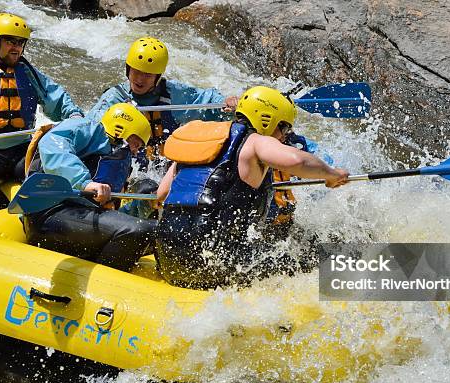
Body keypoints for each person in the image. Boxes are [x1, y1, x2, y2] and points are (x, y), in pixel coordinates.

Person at [154, 86, 349, 288]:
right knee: (307, 252)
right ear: (268, 119)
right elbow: (295, 160)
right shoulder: (256, 142)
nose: (284, 137)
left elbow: (162, 194)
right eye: (284, 128)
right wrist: (331, 174)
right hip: (214, 266)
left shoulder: (200, 138)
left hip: (168, 260)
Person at [0, 13, 83, 212]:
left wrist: (74, 116)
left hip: (21, 149)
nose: (17, 47)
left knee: (47, 166)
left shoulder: (27, 72)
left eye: (20, 42)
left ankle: (49, 214)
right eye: (10, 41)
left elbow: (55, 98)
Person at [22, 103, 156, 272]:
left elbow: (111, 215)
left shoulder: (118, 159)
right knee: (137, 230)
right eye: (136, 143)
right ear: (120, 130)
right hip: (50, 216)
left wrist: (143, 206)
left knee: (153, 228)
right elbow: (51, 142)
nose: (137, 152)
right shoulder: (90, 129)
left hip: (81, 219)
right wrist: (84, 182)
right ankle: (106, 285)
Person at [86, 36, 238, 167]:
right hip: (128, 170)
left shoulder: (172, 93)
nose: (139, 79)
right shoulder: (114, 98)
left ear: (157, 77)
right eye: (136, 71)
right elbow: (90, 128)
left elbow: (207, 100)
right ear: (128, 69)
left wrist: (225, 103)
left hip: (164, 167)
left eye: (147, 75)